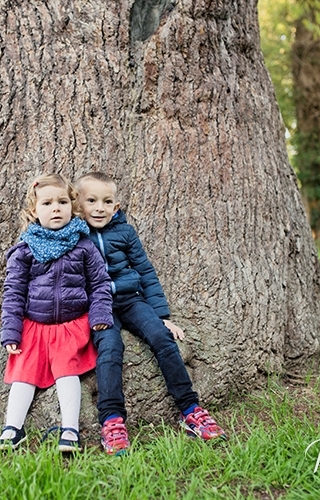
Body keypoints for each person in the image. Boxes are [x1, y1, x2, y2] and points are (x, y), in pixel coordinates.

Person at [75, 171, 227, 456]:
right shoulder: (75, 235)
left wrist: (161, 314)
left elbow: (145, 271)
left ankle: (190, 409)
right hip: (98, 306)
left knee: (160, 336)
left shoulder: (125, 232)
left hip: (132, 300)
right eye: (91, 200)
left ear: (115, 207)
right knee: (109, 348)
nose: (99, 208)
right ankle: (111, 421)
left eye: (107, 201)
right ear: (78, 205)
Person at [0, 173, 113, 453]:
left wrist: (101, 315)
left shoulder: (83, 245)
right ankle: (12, 429)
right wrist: (11, 330)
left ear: (73, 206)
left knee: (66, 372)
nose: (55, 208)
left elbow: (99, 283)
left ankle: (70, 429)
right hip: (34, 324)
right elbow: (13, 292)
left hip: (71, 324)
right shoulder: (25, 250)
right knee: (24, 374)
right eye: (47, 203)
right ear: (34, 211)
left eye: (62, 202)